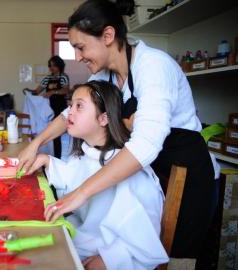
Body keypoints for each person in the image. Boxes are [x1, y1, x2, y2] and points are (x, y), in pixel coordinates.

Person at [18, 0, 217, 264]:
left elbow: (146, 144)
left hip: (185, 172)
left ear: (108, 36)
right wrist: (37, 142)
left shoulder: (154, 67)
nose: (77, 57)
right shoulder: (105, 76)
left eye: (80, 47)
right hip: (143, 167)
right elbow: (70, 113)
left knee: (176, 257)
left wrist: (80, 194)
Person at [32, 81, 168, 269]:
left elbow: (146, 232)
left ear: (104, 118)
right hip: (83, 240)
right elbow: (76, 178)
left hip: (105, 253)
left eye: (79, 106)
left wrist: (109, 259)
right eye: (70, 105)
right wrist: (47, 160)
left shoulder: (129, 171)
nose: (69, 112)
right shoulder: (88, 153)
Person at [24, 55, 70, 158]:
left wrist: (54, 92)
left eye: (53, 66)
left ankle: (57, 157)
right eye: (50, 66)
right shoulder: (47, 78)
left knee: (56, 134)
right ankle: (48, 155)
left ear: (59, 66)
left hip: (59, 108)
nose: (51, 68)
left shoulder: (63, 77)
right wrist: (29, 91)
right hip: (49, 109)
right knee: (47, 132)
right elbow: (37, 91)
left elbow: (66, 90)